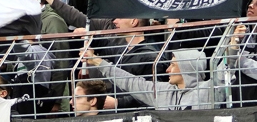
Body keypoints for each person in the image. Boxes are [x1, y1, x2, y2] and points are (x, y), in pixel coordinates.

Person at [82, 47, 215, 111]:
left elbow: (227, 70)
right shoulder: (163, 91)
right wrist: (97, 61)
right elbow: (131, 82)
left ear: (187, 68)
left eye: (173, 65)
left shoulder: (209, 89)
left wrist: (232, 44)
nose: (167, 69)